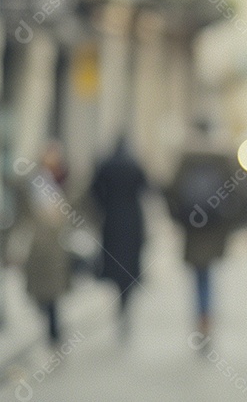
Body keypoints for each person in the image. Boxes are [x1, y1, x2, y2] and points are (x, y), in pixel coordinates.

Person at [166, 128, 245, 338]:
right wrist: (229, 222)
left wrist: (179, 219)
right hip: (214, 228)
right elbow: (237, 193)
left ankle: (201, 316)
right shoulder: (222, 158)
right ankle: (207, 317)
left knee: (198, 275)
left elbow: (171, 191)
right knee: (208, 274)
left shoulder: (185, 158)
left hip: (193, 227)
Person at [89, 136, 149, 341]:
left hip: (113, 221)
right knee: (128, 269)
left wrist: (105, 206)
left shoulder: (107, 164)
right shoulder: (134, 165)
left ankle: (120, 301)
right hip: (132, 222)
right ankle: (124, 302)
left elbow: (94, 190)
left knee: (116, 267)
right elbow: (146, 188)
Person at [17, 140, 73, 346]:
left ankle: (54, 331)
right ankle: (52, 328)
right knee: (42, 292)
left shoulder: (64, 180)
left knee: (52, 294)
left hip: (55, 246)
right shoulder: (36, 181)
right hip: (40, 245)